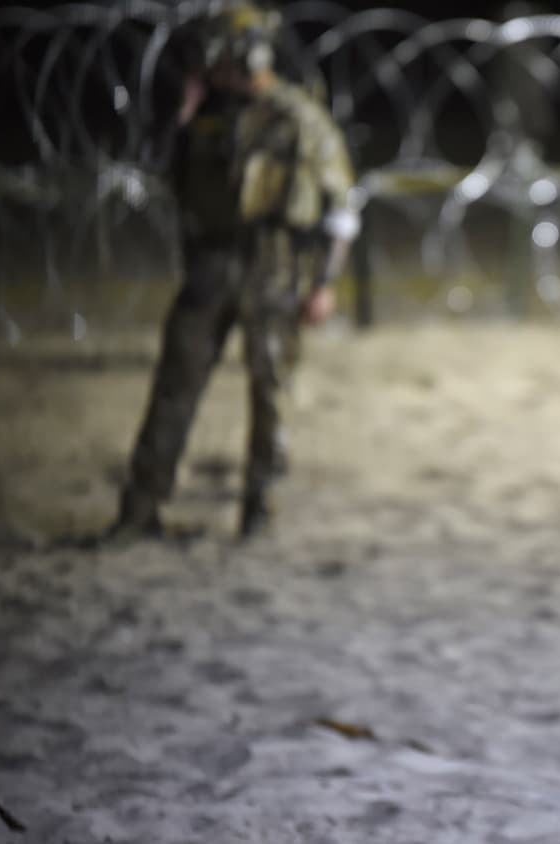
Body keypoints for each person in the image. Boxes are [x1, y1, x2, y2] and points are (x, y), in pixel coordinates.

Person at [107, 3, 361, 540]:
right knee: (174, 388)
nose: (206, 68)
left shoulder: (299, 120)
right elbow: (152, 173)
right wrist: (181, 114)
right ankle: (140, 509)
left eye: (217, 58)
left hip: (274, 270)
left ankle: (258, 510)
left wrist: (324, 285)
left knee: (271, 394)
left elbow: (341, 211)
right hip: (210, 268)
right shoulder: (202, 117)